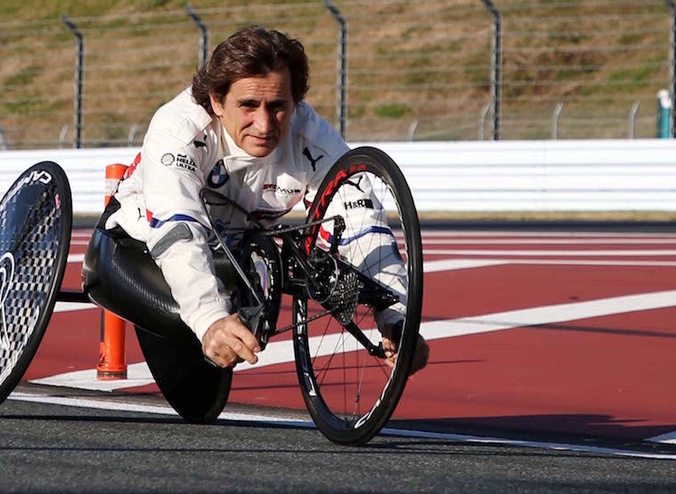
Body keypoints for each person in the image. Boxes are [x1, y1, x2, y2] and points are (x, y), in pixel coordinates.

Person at [81, 24, 428, 422]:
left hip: (230, 251)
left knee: (200, 406)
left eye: (278, 106)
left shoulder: (311, 136)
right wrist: (209, 318)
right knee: (190, 340)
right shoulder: (177, 128)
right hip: (135, 247)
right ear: (216, 101)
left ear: (295, 101)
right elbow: (178, 231)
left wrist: (398, 316)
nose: (265, 126)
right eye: (248, 106)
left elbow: (361, 220)